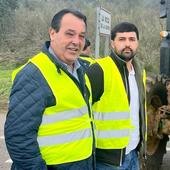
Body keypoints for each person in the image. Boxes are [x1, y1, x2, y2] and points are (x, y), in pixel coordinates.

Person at [4, 9, 95, 170]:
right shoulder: (33, 75)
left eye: (81, 36)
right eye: (69, 34)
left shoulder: (80, 70)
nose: (76, 41)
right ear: (52, 33)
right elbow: (18, 138)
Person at [87, 22, 147, 170]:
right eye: (122, 39)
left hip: (134, 154)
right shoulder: (99, 70)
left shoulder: (140, 72)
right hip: (107, 161)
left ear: (137, 43)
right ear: (112, 43)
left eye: (132, 39)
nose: (127, 44)